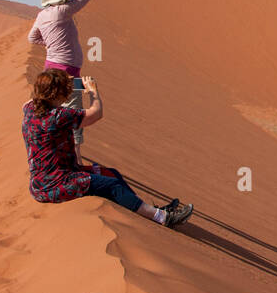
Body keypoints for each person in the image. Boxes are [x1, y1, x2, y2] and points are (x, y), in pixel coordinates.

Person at [22, 70, 193, 227]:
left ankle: (147, 210)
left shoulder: (30, 109)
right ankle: (162, 217)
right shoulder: (59, 116)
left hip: (48, 179)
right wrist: (93, 91)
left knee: (111, 174)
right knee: (111, 185)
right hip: (55, 185)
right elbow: (96, 113)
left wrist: (59, 83)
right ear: (56, 93)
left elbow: (31, 101)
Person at [28, 0, 93, 161]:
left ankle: (50, 150)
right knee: (74, 114)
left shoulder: (42, 15)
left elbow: (32, 38)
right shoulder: (63, 11)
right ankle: (76, 160)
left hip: (50, 69)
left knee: (52, 110)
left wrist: (51, 44)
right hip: (67, 73)